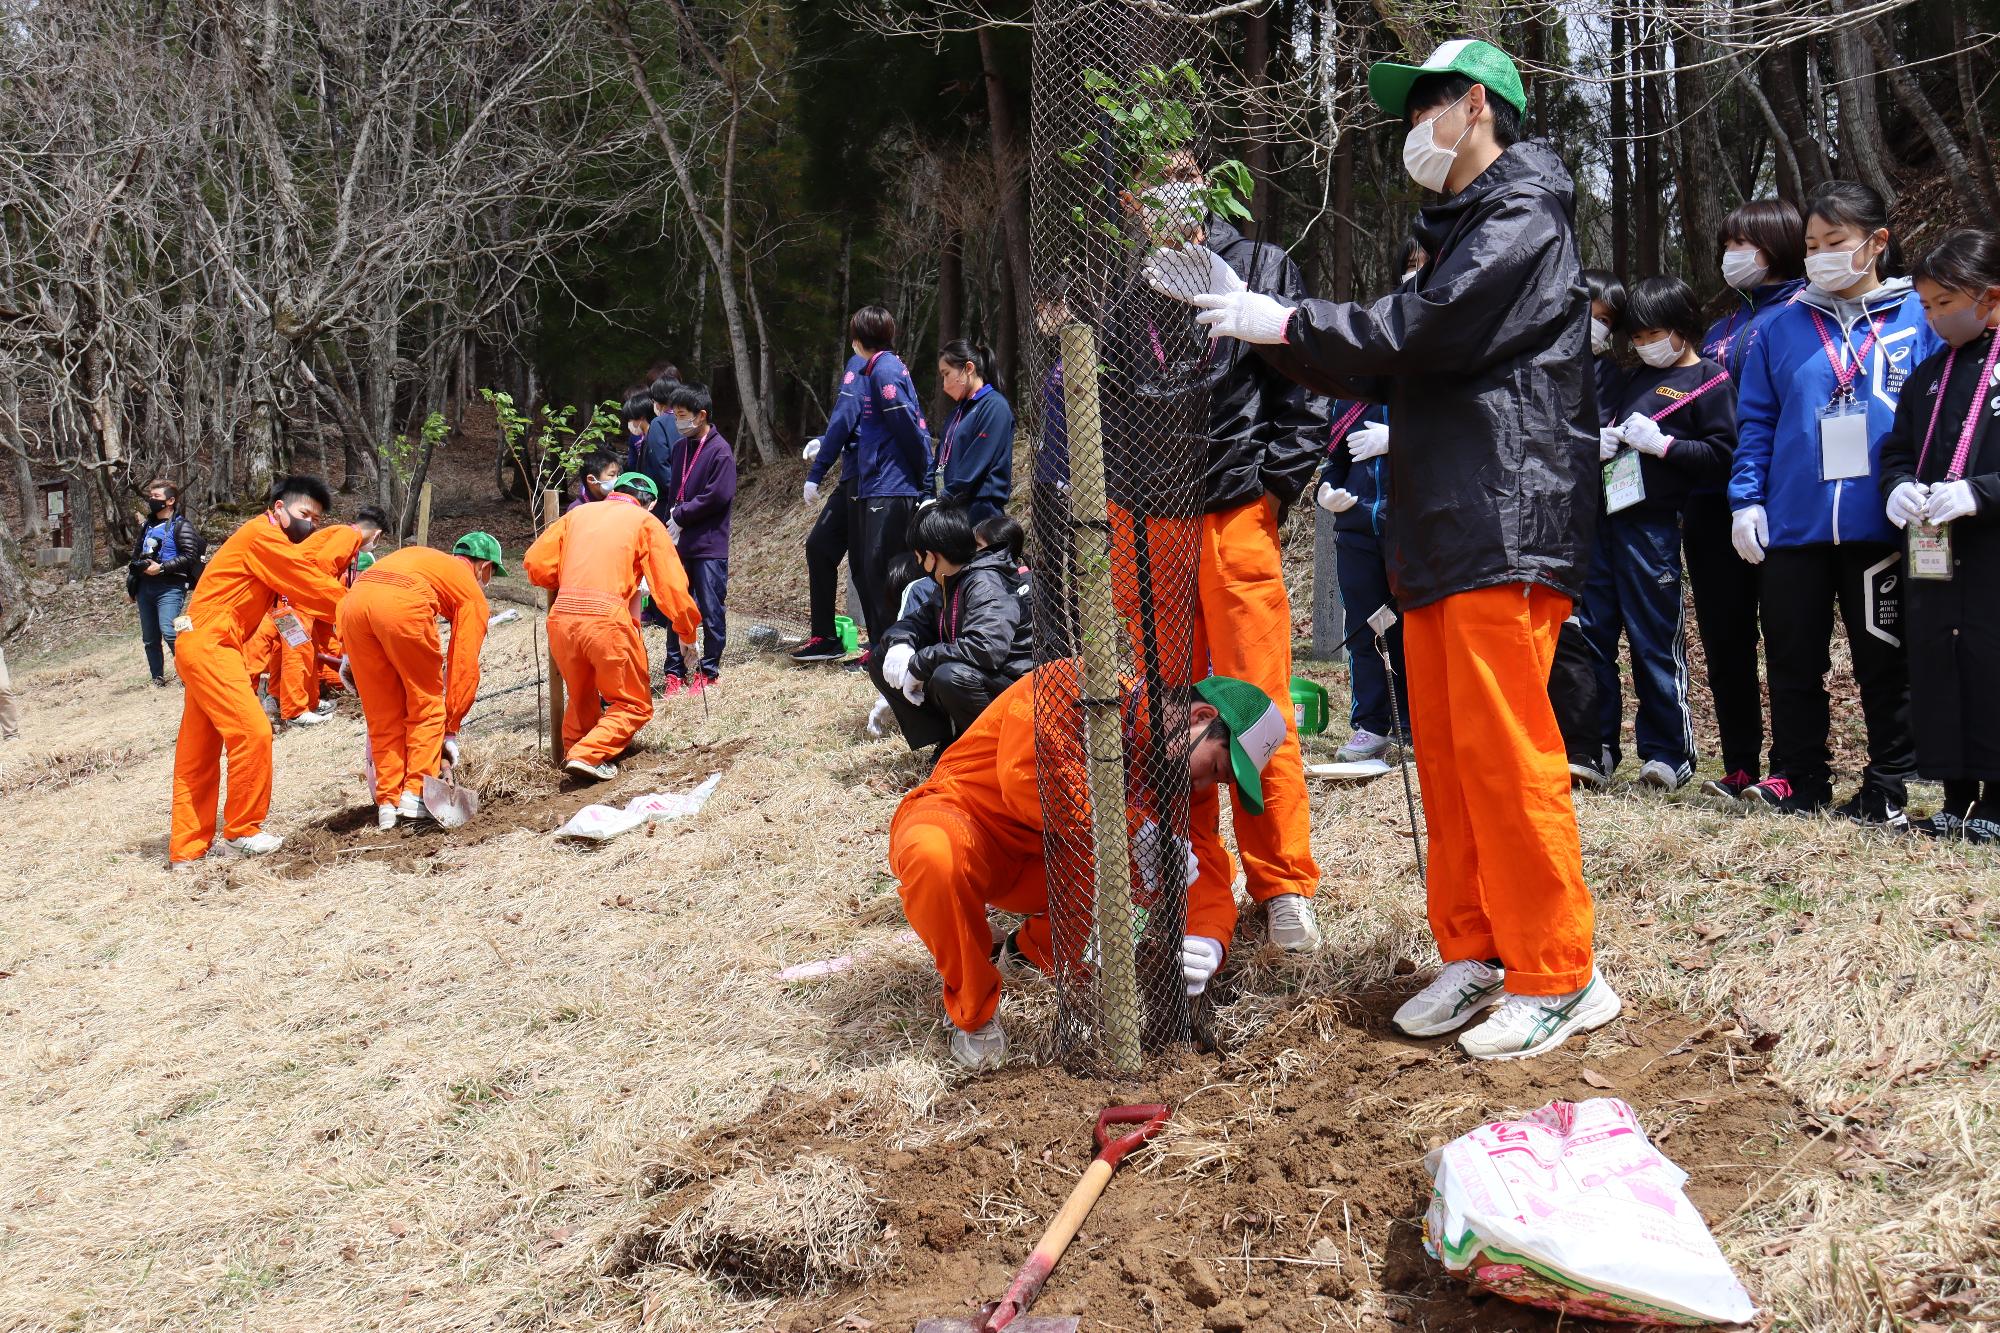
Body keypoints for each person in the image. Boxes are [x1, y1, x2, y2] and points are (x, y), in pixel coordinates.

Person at [1152, 39, 1618, 1058]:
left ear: (1479, 109)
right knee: (1448, 758)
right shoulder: (1462, 227)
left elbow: (1419, 331)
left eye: (1427, 108)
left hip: (1502, 519)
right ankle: (1478, 948)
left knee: (1503, 756)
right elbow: (1415, 341)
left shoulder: (1521, 217)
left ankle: (1558, 969)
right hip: (1446, 525)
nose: (1413, 128)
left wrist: (1281, 323)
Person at [889, 659, 1284, 1069]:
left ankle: (1028, 955)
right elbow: (1028, 779)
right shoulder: (1079, 683)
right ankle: (974, 1014)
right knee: (932, 855)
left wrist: (1208, 938)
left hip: (1050, 860)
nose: (1204, 787)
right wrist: (1131, 828)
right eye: (1217, 768)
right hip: (968, 821)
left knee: (1155, 857)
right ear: (1202, 717)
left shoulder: (1182, 773)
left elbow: (1201, 861)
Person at [1134, 149, 1329, 952]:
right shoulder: (1129, 290)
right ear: (1127, 200)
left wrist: (1273, 489)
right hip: (1153, 526)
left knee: (1257, 705)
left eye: (1181, 170)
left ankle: (1282, 883)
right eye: (1147, 182)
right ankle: (1195, 886)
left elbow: (1304, 381)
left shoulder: (1255, 264)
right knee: (1171, 708)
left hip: (1235, 508)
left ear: (1207, 179)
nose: (1166, 192)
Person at [1728, 180, 1936, 823]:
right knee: (1792, 656)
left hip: (1884, 522)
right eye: (1812, 244)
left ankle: (1889, 781)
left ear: (1877, 242)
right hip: (1795, 524)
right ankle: (1799, 775)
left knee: (1883, 657)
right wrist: (1746, 500)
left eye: (1835, 242)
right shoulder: (1783, 327)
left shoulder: (1920, 319)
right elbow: (1757, 421)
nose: (1820, 254)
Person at [1578, 276, 1736, 791]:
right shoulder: (1628, 378)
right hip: (1603, 518)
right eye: (1638, 336)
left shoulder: (1711, 380)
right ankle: (1596, 746)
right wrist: (1595, 444)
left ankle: (1669, 750)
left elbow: (1722, 456)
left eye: (1655, 334)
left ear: (1684, 327)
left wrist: (1666, 447)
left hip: (1652, 527)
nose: (1646, 345)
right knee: (1593, 635)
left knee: (1653, 640)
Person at [1880, 229, 2000, 840]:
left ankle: (1998, 802)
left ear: (1991, 298)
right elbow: (1897, 448)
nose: (1934, 317)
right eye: (1925, 306)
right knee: (1938, 662)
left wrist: (1982, 492)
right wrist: (1897, 484)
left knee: (1990, 662)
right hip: (1935, 550)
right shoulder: (1929, 372)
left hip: (1991, 548)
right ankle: (1955, 796)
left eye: (1945, 304)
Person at [169, 476, 350, 863]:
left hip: (204, 643)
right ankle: (241, 831)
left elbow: (290, 601)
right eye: (305, 514)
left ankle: (187, 848)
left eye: (316, 520)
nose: (310, 525)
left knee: (198, 749)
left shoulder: (266, 545)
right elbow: (309, 582)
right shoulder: (262, 537)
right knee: (252, 731)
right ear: (279, 508)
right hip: (213, 644)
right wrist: (359, 610)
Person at [1688, 200, 1806, 799]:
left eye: (1746, 242)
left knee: (1787, 636)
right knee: (1725, 636)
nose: (1734, 254)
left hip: (1777, 500)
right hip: (1710, 501)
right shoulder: (1719, 329)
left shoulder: (1802, 316)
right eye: (1728, 242)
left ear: (1780, 243)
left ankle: (1790, 764)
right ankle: (1739, 762)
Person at [523, 472, 701, 783]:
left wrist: (567, 583)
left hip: (563, 619)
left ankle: (574, 756)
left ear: (612, 492)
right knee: (634, 704)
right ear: (652, 503)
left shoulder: (577, 514)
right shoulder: (644, 522)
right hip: (607, 620)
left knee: (581, 698)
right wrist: (687, 632)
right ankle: (586, 754)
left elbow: (536, 565)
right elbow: (671, 586)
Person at [337, 533, 498, 828]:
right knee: (426, 703)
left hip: (351, 607)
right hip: (401, 604)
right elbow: (464, 663)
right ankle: (415, 795)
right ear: (483, 567)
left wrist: (347, 651)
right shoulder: (469, 589)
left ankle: (387, 803)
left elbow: (369, 593)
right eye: (490, 575)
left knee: (383, 713)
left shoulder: (427, 560)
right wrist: (450, 728)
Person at [801, 306, 931, 652]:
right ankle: (872, 644)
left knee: (876, 565)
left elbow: (910, 428)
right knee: (864, 564)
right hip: (868, 478)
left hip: (884, 482)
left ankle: (889, 644)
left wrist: (927, 482)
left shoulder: (883, 370)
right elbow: (856, 422)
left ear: (858, 338)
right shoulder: (872, 367)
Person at [875, 500, 1034, 748]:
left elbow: (986, 648)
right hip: (987, 679)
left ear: (931, 555)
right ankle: (948, 743)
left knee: (949, 676)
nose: (919, 565)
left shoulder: (984, 582)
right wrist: (900, 645)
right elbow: (916, 621)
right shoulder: (951, 583)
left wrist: (919, 663)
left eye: (919, 557)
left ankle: (994, 749)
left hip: (1017, 687)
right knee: (883, 655)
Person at [265, 506, 388, 727]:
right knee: (298, 647)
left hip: (295, 595)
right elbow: (323, 566)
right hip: (297, 595)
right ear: (377, 534)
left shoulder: (341, 534)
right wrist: (338, 601)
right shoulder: (348, 535)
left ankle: (299, 701)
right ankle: (295, 710)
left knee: (306, 646)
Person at [661, 383, 736, 695]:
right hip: (680, 542)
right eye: (675, 415)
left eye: (682, 416)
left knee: (710, 607)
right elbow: (673, 492)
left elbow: (717, 496)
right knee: (676, 607)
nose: (678, 423)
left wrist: (683, 513)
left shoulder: (721, 451)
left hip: (709, 543)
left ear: (701, 415)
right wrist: (671, 520)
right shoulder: (680, 448)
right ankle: (674, 670)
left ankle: (709, 670)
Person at [127, 479, 207, 687]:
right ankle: (157, 677)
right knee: (150, 637)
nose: (151, 500)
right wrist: (133, 583)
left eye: (156, 497)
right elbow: (135, 556)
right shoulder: (147, 526)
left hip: (171, 586)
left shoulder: (182, 526)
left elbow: (190, 555)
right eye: (151, 496)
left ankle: (189, 673)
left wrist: (161, 568)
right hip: (145, 587)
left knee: (170, 631)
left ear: (170, 501)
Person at [930, 339, 1015, 523]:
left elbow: (977, 463)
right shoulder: (957, 413)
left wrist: (944, 497)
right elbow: (939, 459)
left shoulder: (994, 406)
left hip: (980, 511)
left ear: (968, 368)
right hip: (950, 508)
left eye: (947, 374)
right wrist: (927, 496)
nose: (944, 385)